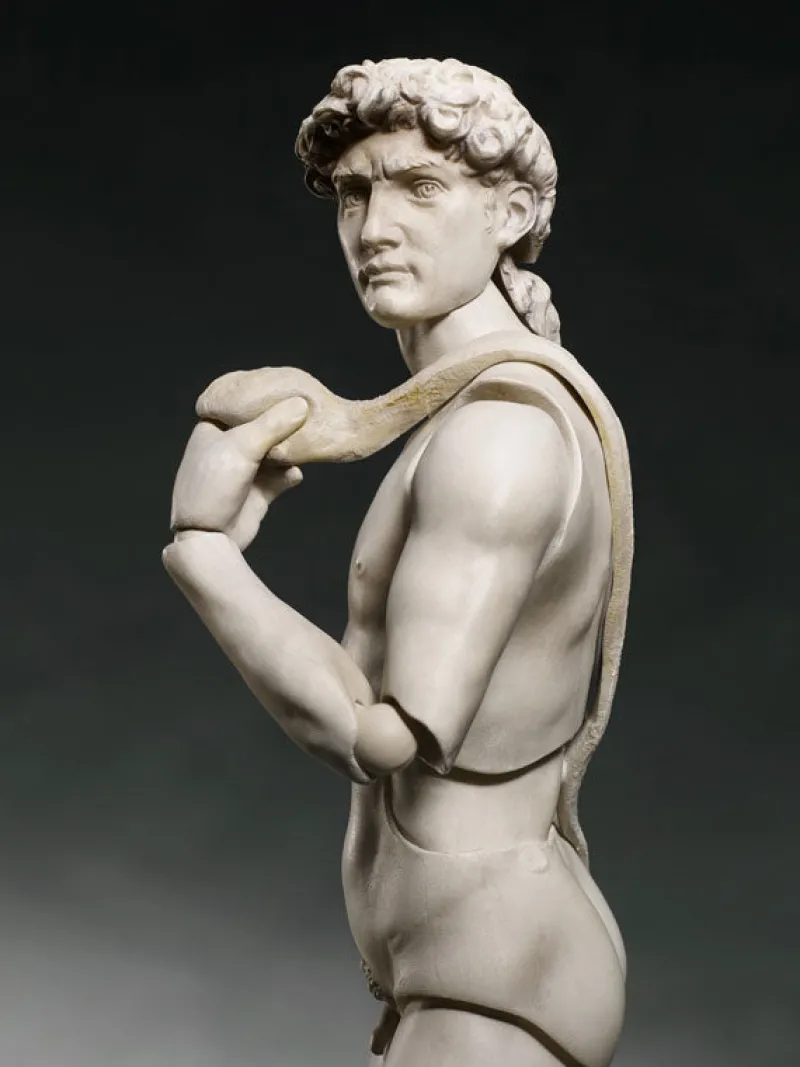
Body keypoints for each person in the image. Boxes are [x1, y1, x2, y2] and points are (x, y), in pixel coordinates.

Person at [163, 58, 633, 1067]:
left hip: (491, 983)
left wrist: (206, 555)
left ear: (509, 213)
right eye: (353, 193)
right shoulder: (468, 413)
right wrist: (342, 421)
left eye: (421, 187)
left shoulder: (498, 436)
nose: (375, 226)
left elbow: (382, 735)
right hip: (452, 973)